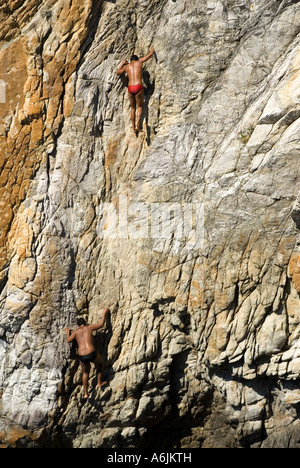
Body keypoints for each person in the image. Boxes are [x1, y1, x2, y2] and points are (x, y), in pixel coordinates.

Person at [65, 308, 110, 399]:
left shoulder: (76, 332)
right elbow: (101, 324)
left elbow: (68, 340)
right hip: (91, 353)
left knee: (85, 372)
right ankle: (99, 383)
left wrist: (67, 332)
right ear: (85, 323)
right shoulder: (89, 327)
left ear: (78, 325)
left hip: (82, 356)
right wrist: (104, 313)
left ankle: (86, 393)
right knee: (100, 363)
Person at [116, 47, 155, 133]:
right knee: (140, 107)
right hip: (138, 87)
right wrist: (152, 50)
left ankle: (133, 128)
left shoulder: (127, 66)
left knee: (133, 108)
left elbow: (118, 72)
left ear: (131, 60)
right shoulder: (139, 62)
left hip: (130, 88)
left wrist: (122, 63)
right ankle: (138, 126)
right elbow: (149, 55)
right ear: (137, 59)